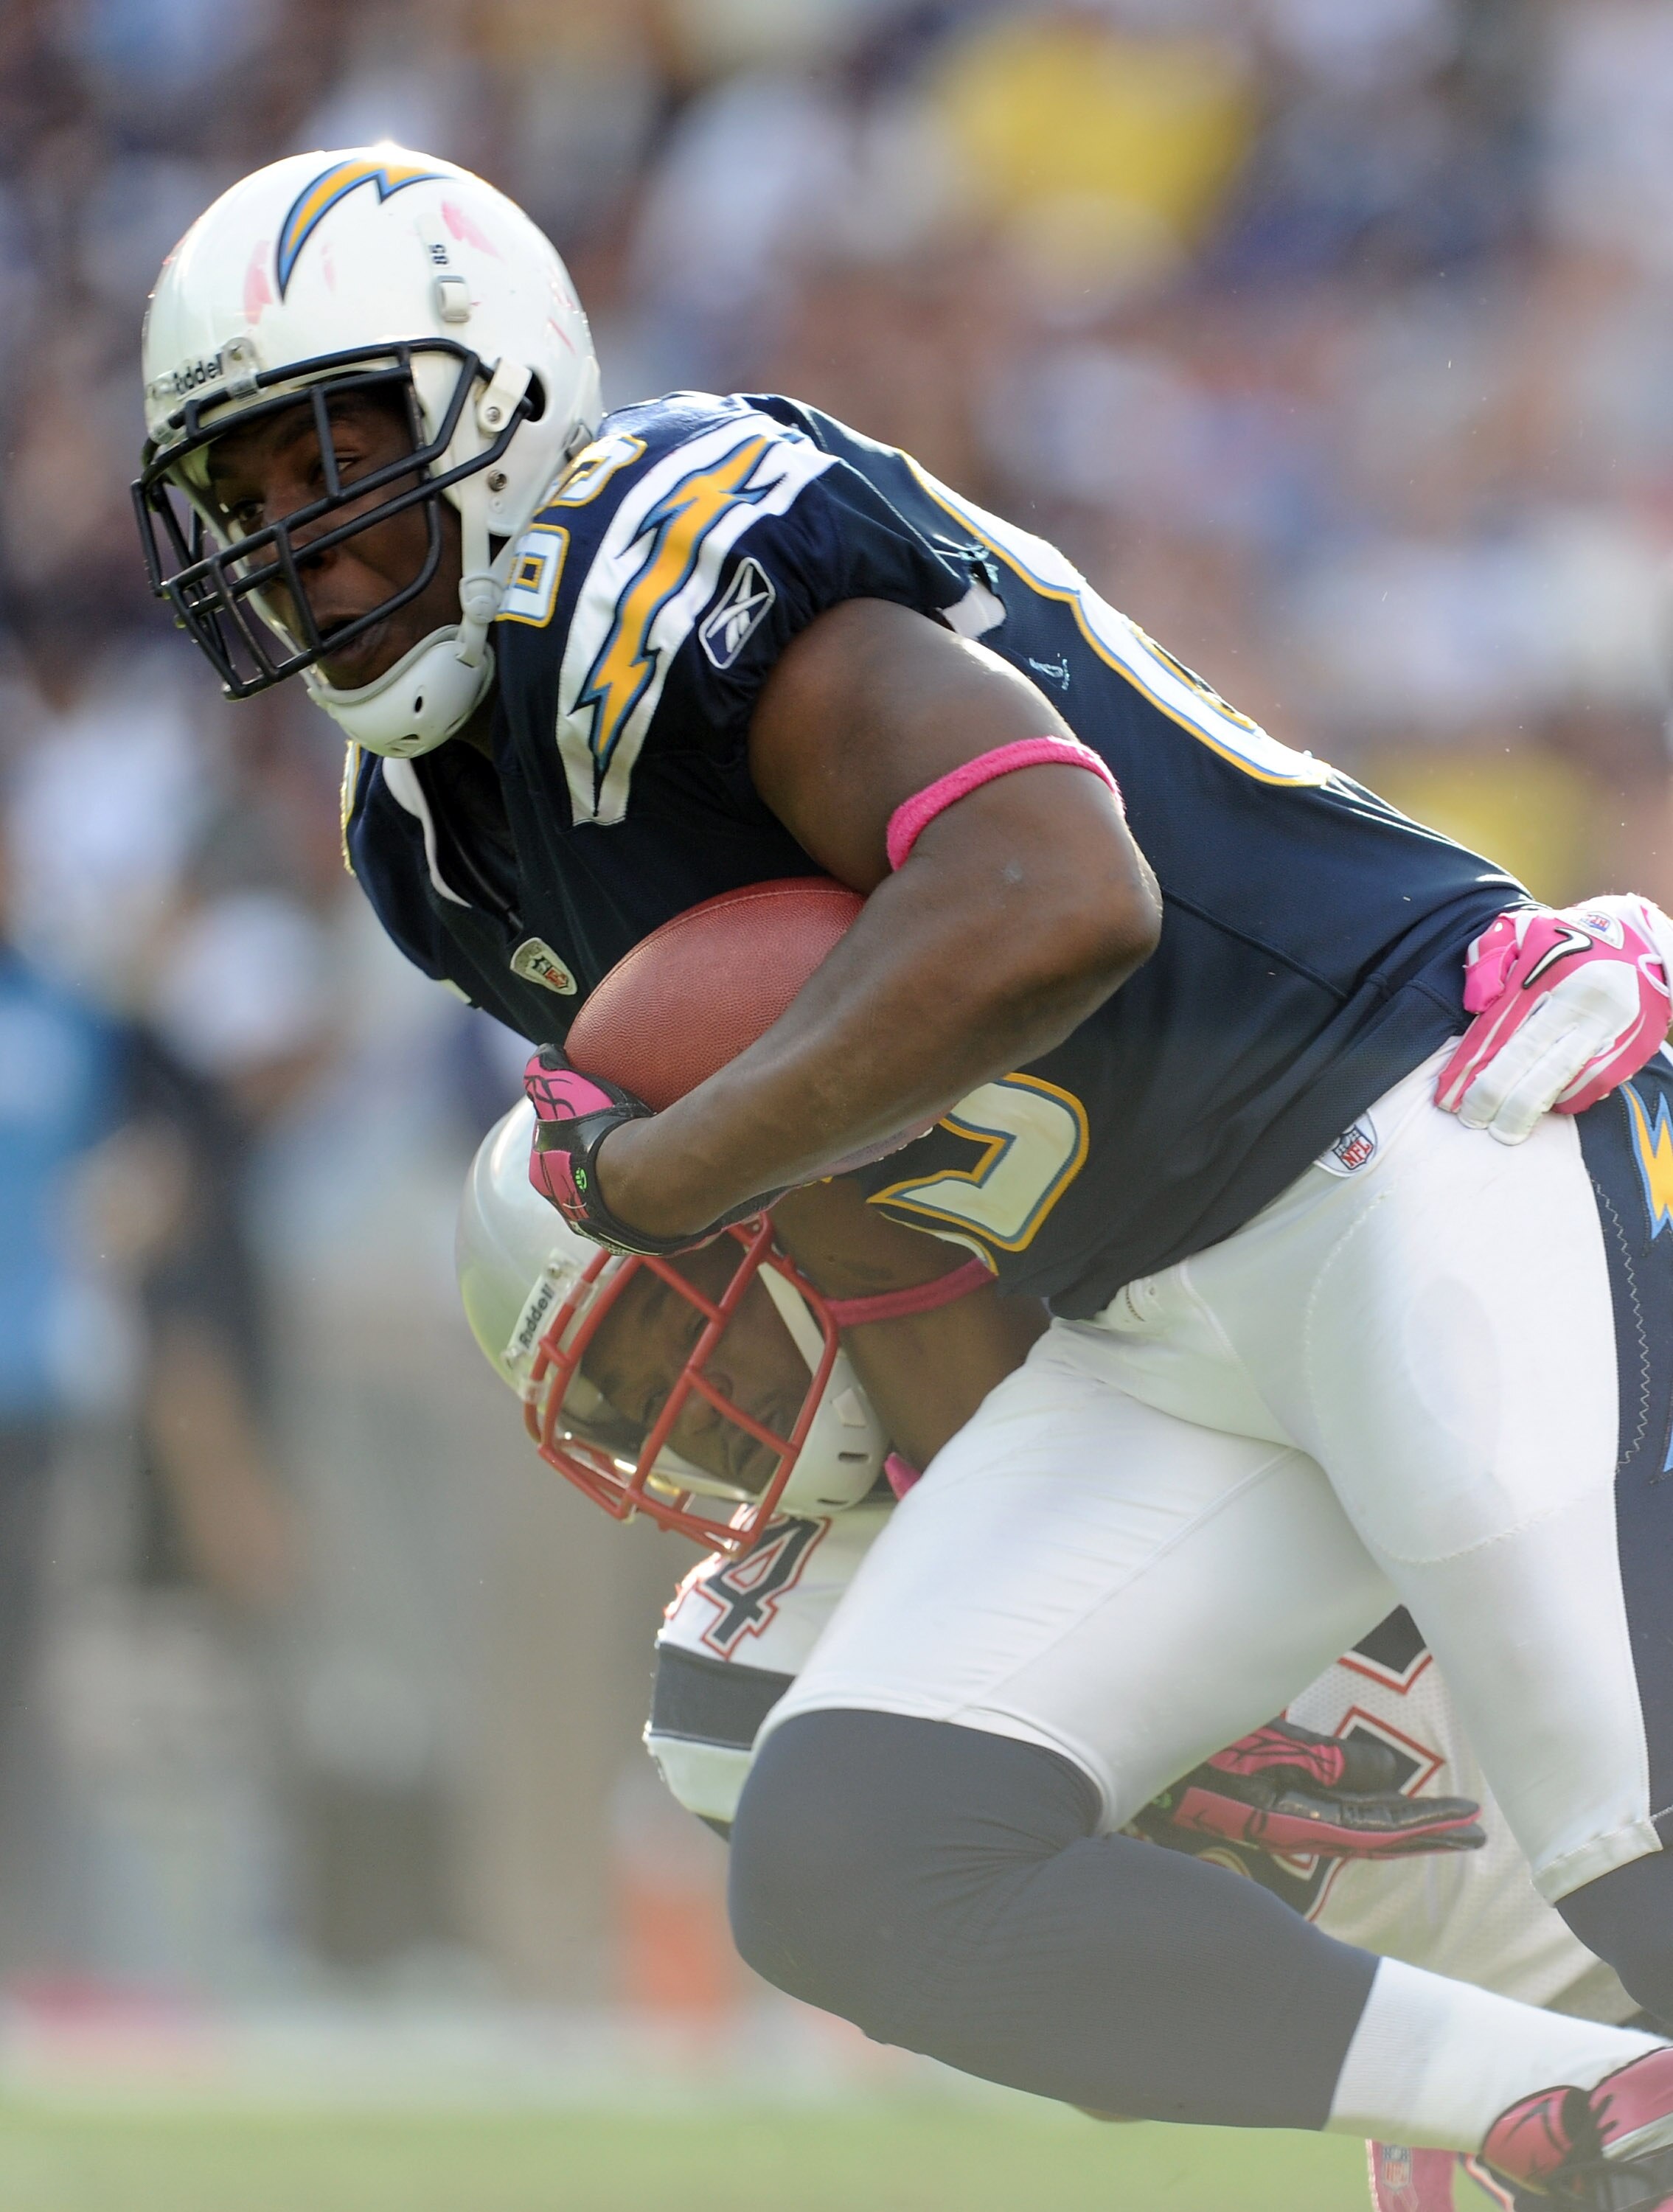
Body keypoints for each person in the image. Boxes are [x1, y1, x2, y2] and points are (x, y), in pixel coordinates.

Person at [137, 145, 1673, 2201]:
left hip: (1395, 1125)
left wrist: (661, 1168)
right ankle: (1547, 2113)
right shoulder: (432, 842)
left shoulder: (648, 562)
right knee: (844, 1838)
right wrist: (952, 1481)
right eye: (243, 501)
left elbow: (1053, 887)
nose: (304, 550)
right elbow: (865, 1191)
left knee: (1620, 1843)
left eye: (338, 454)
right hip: (1153, 1320)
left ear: (497, 402)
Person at [458, 1101, 1644, 2212]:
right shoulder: (757, 1672)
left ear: (783, 1222)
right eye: (633, 1396)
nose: (696, 1402)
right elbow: (1107, 2047)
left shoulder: (1164, 1310)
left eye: (675, 1321)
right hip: (1511, 2080)